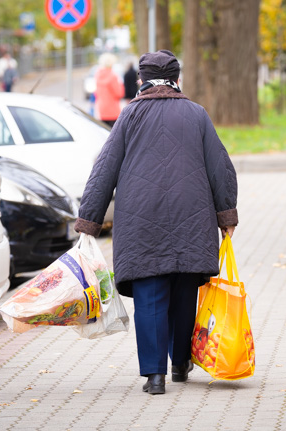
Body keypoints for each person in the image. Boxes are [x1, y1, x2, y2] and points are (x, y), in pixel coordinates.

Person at [74, 49, 238, 396]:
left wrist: (88, 223)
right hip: (192, 217)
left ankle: (155, 376)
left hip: (140, 221)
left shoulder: (129, 116)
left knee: (149, 296)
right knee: (183, 294)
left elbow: (104, 170)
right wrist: (226, 215)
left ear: (140, 80)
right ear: (177, 79)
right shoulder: (196, 114)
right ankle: (180, 363)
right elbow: (220, 167)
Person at [94, 52, 124, 126]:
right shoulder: (113, 76)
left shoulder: (97, 75)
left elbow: (96, 93)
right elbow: (119, 93)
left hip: (101, 109)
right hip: (113, 110)